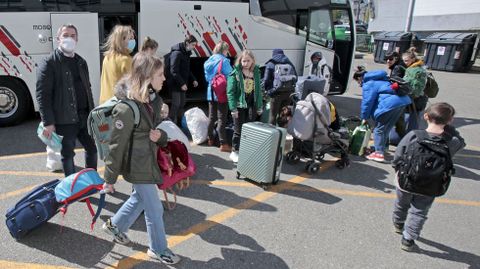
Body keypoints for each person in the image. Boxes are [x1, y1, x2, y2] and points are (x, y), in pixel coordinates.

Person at [102, 52, 181, 265]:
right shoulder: (126, 109)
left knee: (139, 199)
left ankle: (115, 225)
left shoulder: (152, 100)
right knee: (154, 208)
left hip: (148, 160)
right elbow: (116, 146)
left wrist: (161, 137)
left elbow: (155, 132)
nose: (164, 78)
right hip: (137, 165)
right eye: (160, 74)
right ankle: (158, 249)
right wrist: (109, 179)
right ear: (146, 76)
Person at [392, 102, 465, 251]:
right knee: (419, 211)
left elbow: (398, 154)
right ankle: (408, 238)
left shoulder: (414, 135)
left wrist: (397, 168)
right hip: (432, 183)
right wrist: (451, 130)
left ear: (426, 116)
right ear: (450, 121)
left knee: (401, 202)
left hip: (406, 180)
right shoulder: (451, 141)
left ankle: (398, 223)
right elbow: (461, 143)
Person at [36, 24, 97, 177]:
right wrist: (48, 122)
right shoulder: (49, 63)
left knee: (92, 149)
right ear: (58, 39)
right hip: (65, 120)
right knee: (68, 155)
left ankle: (90, 183)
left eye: (72, 35)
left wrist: (93, 114)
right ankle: (72, 189)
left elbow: (87, 89)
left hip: (84, 117)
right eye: (65, 35)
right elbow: (43, 95)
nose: (69, 38)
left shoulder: (81, 61)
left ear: (77, 39)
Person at [353, 66, 411, 163]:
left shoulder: (369, 83)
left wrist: (364, 117)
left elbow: (367, 102)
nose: (359, 84)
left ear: (360, 78)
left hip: (390, 104)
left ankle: (379, 153)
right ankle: (381, 148)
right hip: (402, 102)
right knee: (386, 128)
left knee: (378, 129)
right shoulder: (381, 79)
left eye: (358, 82)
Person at [227, 50, 263, 162]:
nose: (246, 63)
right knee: (238, 129)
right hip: (239, 105)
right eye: (243, 61)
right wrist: (233, 109)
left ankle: (246, 150)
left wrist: (259, 106)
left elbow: (258, 91)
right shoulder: (236, 73)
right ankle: (234, 151)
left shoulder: (256, 72)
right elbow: (230, 92)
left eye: (248, 61)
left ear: (252, 61)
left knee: (249, 128)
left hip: (251, 105)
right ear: (240, 61)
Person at [204, 41, 233, 152]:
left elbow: (207, 78)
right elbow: (231, 76)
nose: (227, 53)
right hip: (221, 93)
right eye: (227, 50)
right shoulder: (224, 61)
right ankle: (223, 143)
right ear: (224, 50)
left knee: (211, 117)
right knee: (222, 118)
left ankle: (210, 139)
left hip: (210, 91)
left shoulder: (208, 61)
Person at [166, 35, 199, 125]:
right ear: (187, 43)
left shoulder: (186, 53)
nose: (194, 47)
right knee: (176, 105)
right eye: (193, 45)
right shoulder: (177, 53)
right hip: (175, 84)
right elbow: (173, 71)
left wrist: (193, 79)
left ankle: (179, 124)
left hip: (182, 83)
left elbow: (187, 70)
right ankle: (170, 124)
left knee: (181, 104)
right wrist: (181, 83)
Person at [99, 25, 135, 104]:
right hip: (120, 105)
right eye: (130, 38)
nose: (133, 41)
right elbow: (133, 86)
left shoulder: (107, 58)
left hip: (105, 103)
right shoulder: (126, 60)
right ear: (121, 40)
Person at [263, 48, 297, 125]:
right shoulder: (289, 63)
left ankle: (272, 134)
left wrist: (269, 91)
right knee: (283, 115)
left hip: (276, 94)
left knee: (273, 116)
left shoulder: (271, 64)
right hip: (289, 94)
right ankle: (282, 134)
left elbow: (266, 80)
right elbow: (296, 78)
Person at [402, 47, 428, 130]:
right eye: (404, 60)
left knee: (410, 119)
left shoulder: (414, 70)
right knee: (414, 119)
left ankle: (409, 136)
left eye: (406, 60)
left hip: (414, 98)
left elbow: (412, 84)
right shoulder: (418, 67)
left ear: (413, 59)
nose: (405, 63)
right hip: (419, 98)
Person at [385, 51, 408, 140]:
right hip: (403, 97)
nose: (388, 61)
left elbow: (395, 84)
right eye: (386, 59)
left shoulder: (397, 68)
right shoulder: (399, 66)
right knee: (399, 121)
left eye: (390, 59)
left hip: (399, 97)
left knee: (398, 121)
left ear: (396, 58)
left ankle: (404, 141)